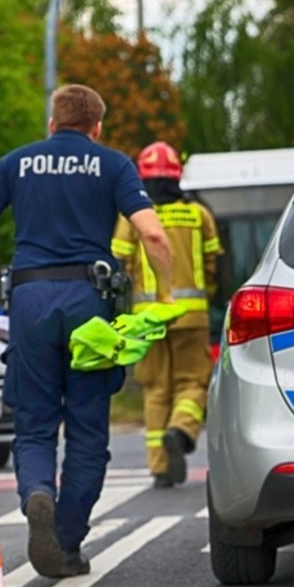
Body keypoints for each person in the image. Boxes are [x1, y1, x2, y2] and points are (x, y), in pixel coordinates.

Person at [0, 84, 174, 579]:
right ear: (97, 127)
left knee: (33, 424)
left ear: (52, 124)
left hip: (29, 301)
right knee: (87, 432)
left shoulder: (17, 162)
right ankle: (67, 542)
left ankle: (37, 493)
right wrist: (165, 293)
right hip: (89, 305)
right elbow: (153, 235)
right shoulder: (113, 164)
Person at [112, 141, 222, 488]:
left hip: (148, 319)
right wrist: (207, 297)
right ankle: (181, 429)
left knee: (155, 389)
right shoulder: (198, 215)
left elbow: (119, 266)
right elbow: (214, 264)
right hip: (192, 316)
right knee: (193, 383)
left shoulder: (132, 216)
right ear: (178, 176)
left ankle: (159, 466)